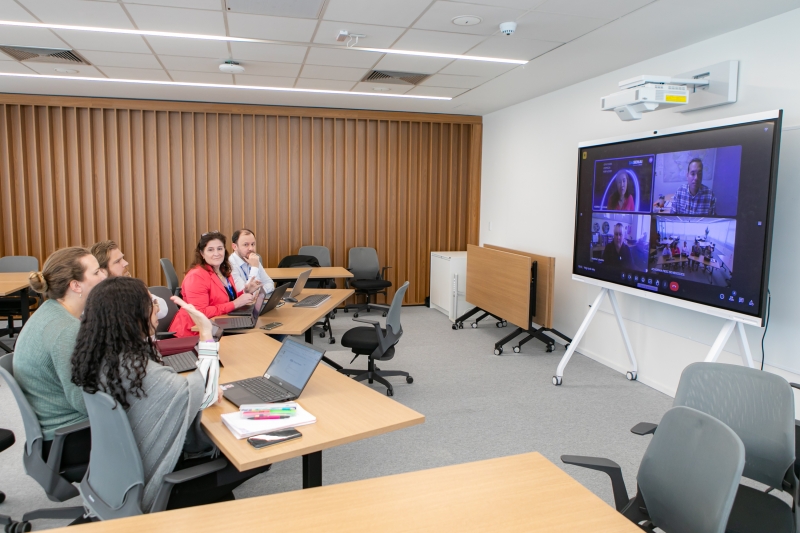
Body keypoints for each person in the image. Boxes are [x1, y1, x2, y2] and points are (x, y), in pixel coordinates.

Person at [71, 277, 265, 511]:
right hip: (155, 487)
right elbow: (206, 394)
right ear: (133, 316)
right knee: (255, 455)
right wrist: (206, 333)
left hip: (113, 479)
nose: (157, 307)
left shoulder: (101, 356)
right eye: (151, 302)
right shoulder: (142, 373)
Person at [12, 247, 106, 461]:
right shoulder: (66, 330)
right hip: (70, 438)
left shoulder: (49, 311)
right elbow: (84, 401)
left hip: (57, 431)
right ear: (75, 285)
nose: (104, 275)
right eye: (96, 272)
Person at [169, 232, 255, 338]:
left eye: (220, 248)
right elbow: (200, 313)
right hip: (194, 333)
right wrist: (235, 304)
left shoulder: (223, 271)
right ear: (202, 254)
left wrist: (246, 292)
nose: (216, 253)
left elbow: (226, 299)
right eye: (210, 250)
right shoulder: (196, 276)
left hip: (217, 326)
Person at [90, 239, 167, 320]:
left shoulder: (130, 289)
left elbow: (163, 309)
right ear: (102, 271)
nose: (126, 263)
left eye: (122, 258)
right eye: (117, 261)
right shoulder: (95, 302)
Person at [229, 229, 274, 295]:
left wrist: (258, 292)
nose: (251, 248)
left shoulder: (253, 259)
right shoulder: (229, 264)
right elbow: (244, 292)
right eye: (246, 245)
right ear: (235, 247)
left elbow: (270, 283)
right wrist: (254, 267)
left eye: (253, 244)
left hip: (256, 301)